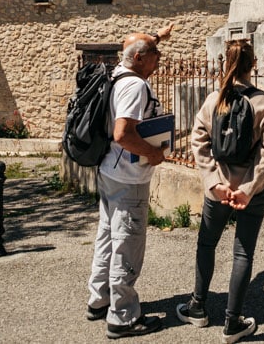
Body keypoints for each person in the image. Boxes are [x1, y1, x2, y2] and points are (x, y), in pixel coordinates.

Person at [176, 39, 264, 344]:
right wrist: (248, 188)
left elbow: (199, 142)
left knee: (207, 245)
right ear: (255, 65)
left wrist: (214, 183)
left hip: (218, 189)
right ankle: (232, 323)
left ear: (226, 63)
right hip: (253, 192)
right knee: (243, 252)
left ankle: (197, 306)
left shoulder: (214, 99)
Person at [86, 23, 173, 339]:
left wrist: (157, 36)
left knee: (107, 236)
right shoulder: (135, 86)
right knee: (128, 243)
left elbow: (135, 44)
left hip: (109, 170)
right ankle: (122, 317)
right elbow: (123, 133)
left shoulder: (116, 74)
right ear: (139, 58)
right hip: (128, 176)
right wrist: (153, 153)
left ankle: (99, 300)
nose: (159, 58)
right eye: (155, 54)